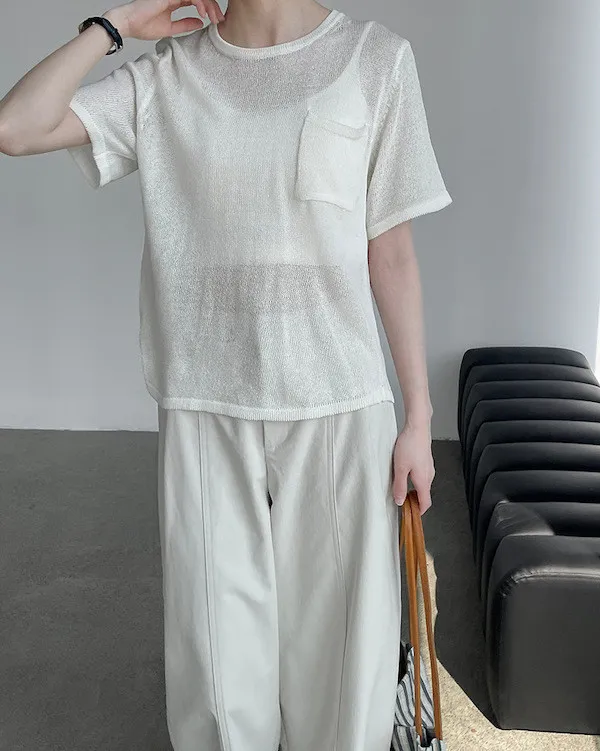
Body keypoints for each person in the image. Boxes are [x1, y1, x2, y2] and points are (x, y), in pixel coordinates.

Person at [0, 1, 452, 749]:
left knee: (344, 665)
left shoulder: (374, 59)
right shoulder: (170, 77)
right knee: (214, 672)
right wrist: (118, 24)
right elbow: (15, 127)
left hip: (340, 401)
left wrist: (418, 418)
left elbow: (392, 252)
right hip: (205, 398)